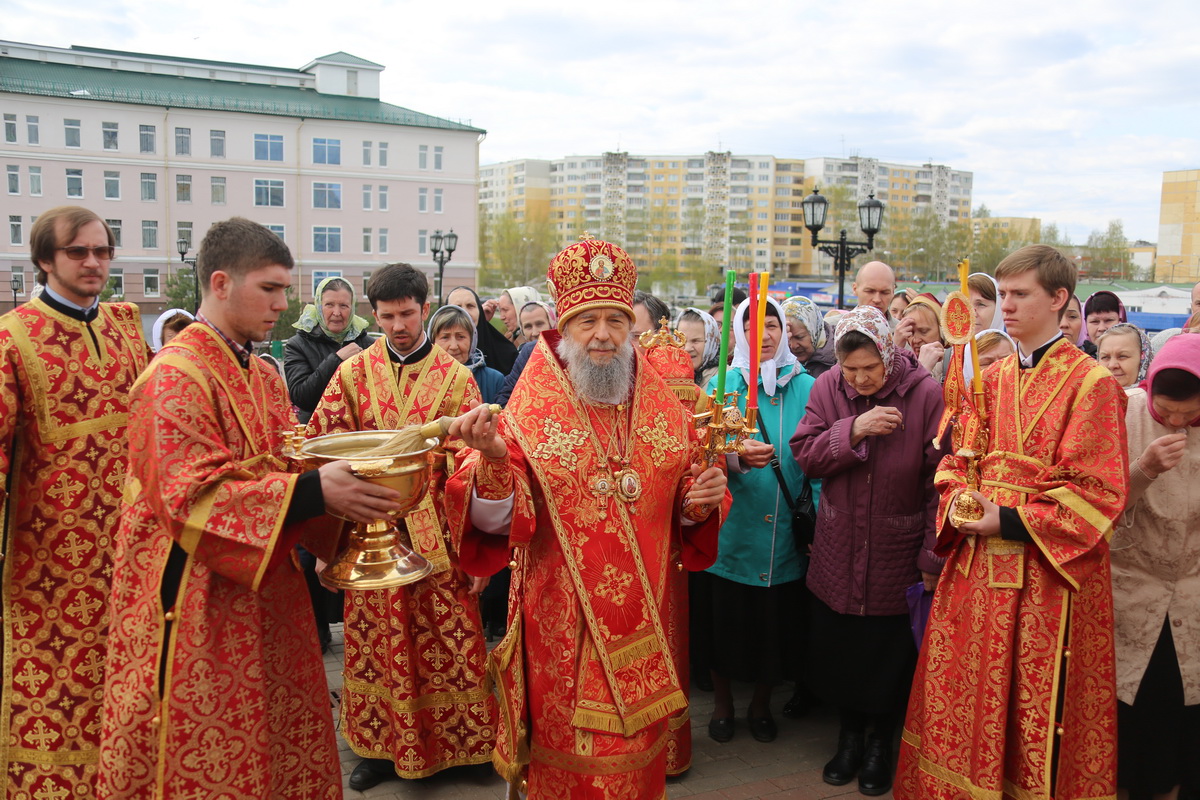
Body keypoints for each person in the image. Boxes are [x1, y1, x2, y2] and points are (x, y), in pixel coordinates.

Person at [98, 217, 397, 799]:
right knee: (216, 755)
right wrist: (315, 493)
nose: (284, 304)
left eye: (286, 289)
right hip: (197, 602)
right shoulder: (173, 377)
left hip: (270, 594)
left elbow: (290, 462)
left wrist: (350, 498)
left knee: (279, 744)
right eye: (270, 288)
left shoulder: (263, 374)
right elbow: (189, 498)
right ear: (220, 283)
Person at [444, 236, 730, 799]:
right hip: (562, 623)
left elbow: (684, 500)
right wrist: (496, 461)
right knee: (570, 766)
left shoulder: (658, 402)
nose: (603, 334)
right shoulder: (532, 403)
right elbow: (501, 517)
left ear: (632, 327)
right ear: (564, 327)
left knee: (633, 764)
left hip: (643, 614)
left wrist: (702, 500)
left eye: (616, 320)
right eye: (587, 321)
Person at [897, 245, 1131, 800]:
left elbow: (1097, 493)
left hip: (1046, 577)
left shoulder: (1092, 384)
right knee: (967, 695)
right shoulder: (992, 376)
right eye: (1004, 295)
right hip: (976, 572)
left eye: (1021, 295)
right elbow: (957, 459)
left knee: (1034, 709)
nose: (1007, 307)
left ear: (1059, 299)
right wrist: (957, 501)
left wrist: (1007, 517)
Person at [308, 264, 497, 790]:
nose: (398, 326)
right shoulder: (350, 375)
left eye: (408, 314)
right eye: (387, 316)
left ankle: (468, 747)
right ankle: (380, 750)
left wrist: (477, 551)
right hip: (367, 538)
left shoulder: (458, 379)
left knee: (454, 643)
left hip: (441, 539)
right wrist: (325, 547)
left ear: (424, 306)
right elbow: (320, 459)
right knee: (375, 646)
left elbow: (472, 468)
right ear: (374, 314)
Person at [0, 207, 150, 799]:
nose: (94, 263)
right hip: (50, 565)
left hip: (134, 546)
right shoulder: (12, 338)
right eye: (78, 253)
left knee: (133, 678)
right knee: (58, 688)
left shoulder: (123, 324)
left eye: (103, 252)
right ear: (45, 260)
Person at [791, 305, 946, 796]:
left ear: (888, 353)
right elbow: (806, 458)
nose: (859, 379)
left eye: (869, 369)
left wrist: (930, 558)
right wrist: (852, 429)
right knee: (842, 650)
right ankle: (849, 737)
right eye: (850, 369)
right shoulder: (827, 388)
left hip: (895, 549)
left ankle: (881, 745)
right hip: (840, 546)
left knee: (887, 653)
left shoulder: (924, 393)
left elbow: (937, 484)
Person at [704, 297, 818, 745]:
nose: (766, 334)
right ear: (739, 332)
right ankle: (724, 705)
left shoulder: (807, 386)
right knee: (725, 626)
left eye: (773, 325)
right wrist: (736, 457)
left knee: (775, 628)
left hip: (785, 531)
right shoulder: (723, 383)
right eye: (755, 326)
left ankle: (760, 706)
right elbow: (701, 448)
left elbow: (819, 455)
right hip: (734, 528)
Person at [1112, 334, 1200, 800]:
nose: (1177, 422)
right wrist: (1142, 469)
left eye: (1189, 415)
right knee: (1140, 713)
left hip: (1194, 594)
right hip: (1131, 592)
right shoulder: (1125, 411)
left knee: (1187, 712)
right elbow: (1094, 506)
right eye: (1166, 412)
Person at [284, 275, 374, 423]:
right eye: (329, 305)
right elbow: (302, 398)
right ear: (319, 306)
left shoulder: (368, 345)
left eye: (344, 306)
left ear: (352, 308)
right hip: (316, 432)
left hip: (359, 432)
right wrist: (336, 360)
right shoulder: (298, 345)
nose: (337, 313)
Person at [431, 303, 505, 404]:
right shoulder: (422, 379)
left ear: (472, 341)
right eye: (445, 337)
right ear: (433, 342)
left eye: (460, 337)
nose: (453, 346)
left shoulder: (494, 380)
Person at [446, 285, 519, 374]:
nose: (465, 312)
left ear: (479, 311)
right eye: (457, 307)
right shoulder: (435, 350)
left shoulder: (505, 353)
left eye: (470, 306)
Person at [782, 296, 836, 379]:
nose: (793, 346)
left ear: (815, 331)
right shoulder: (776, 361)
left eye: (799, 337)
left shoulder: (840, 359)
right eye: (787, 338)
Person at [893, 293, 945, 376]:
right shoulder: (904, 364)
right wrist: (896, 347)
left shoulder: (957, 362)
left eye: (924, 331)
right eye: (911, 332)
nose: (916, 340)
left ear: (941, 330)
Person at [1097, 322, 1153, 390]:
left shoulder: (1158, 399)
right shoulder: (1086, 397)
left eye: (1122, 356)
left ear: (1143, 360)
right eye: (1105, 357)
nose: (1112, 365)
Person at [676, 307, 722, 387]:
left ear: (711, 343)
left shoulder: (726, 378)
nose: (687, 348)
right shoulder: (669, 377)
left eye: (695, 341)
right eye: (681, 340)